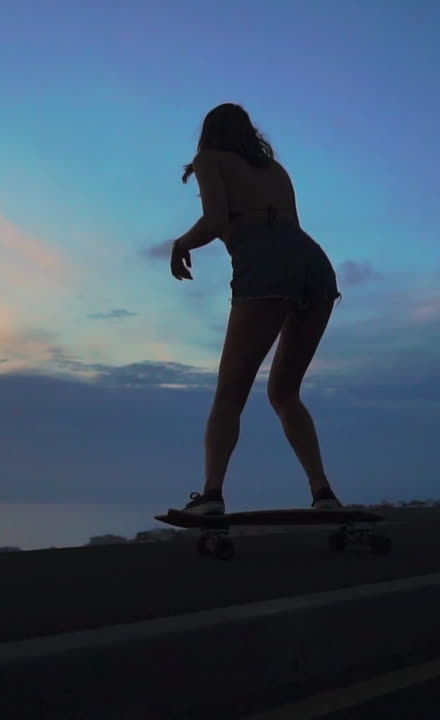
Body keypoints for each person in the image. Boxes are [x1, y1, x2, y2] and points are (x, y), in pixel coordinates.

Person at [168, 103, 342, 515]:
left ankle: (211, 495)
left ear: (208, 134)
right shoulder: (276, 171)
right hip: (314, 266)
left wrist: (180, 245)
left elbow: (214, 220)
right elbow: (289, 228)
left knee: (230, 393)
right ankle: (323, 493)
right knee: (284, 391)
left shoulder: (209, 159)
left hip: (264, 266)